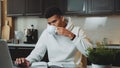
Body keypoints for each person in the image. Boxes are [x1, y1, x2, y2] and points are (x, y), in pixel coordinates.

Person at [15, 7, 92, 68]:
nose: (52, 25)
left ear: (62, 18)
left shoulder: (77, 30)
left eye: (54, 21)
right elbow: (37, 53)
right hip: (53, 66)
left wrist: (70, 35)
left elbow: (90, 53)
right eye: (49, 23)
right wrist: (27, 61)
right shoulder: (47, 33)